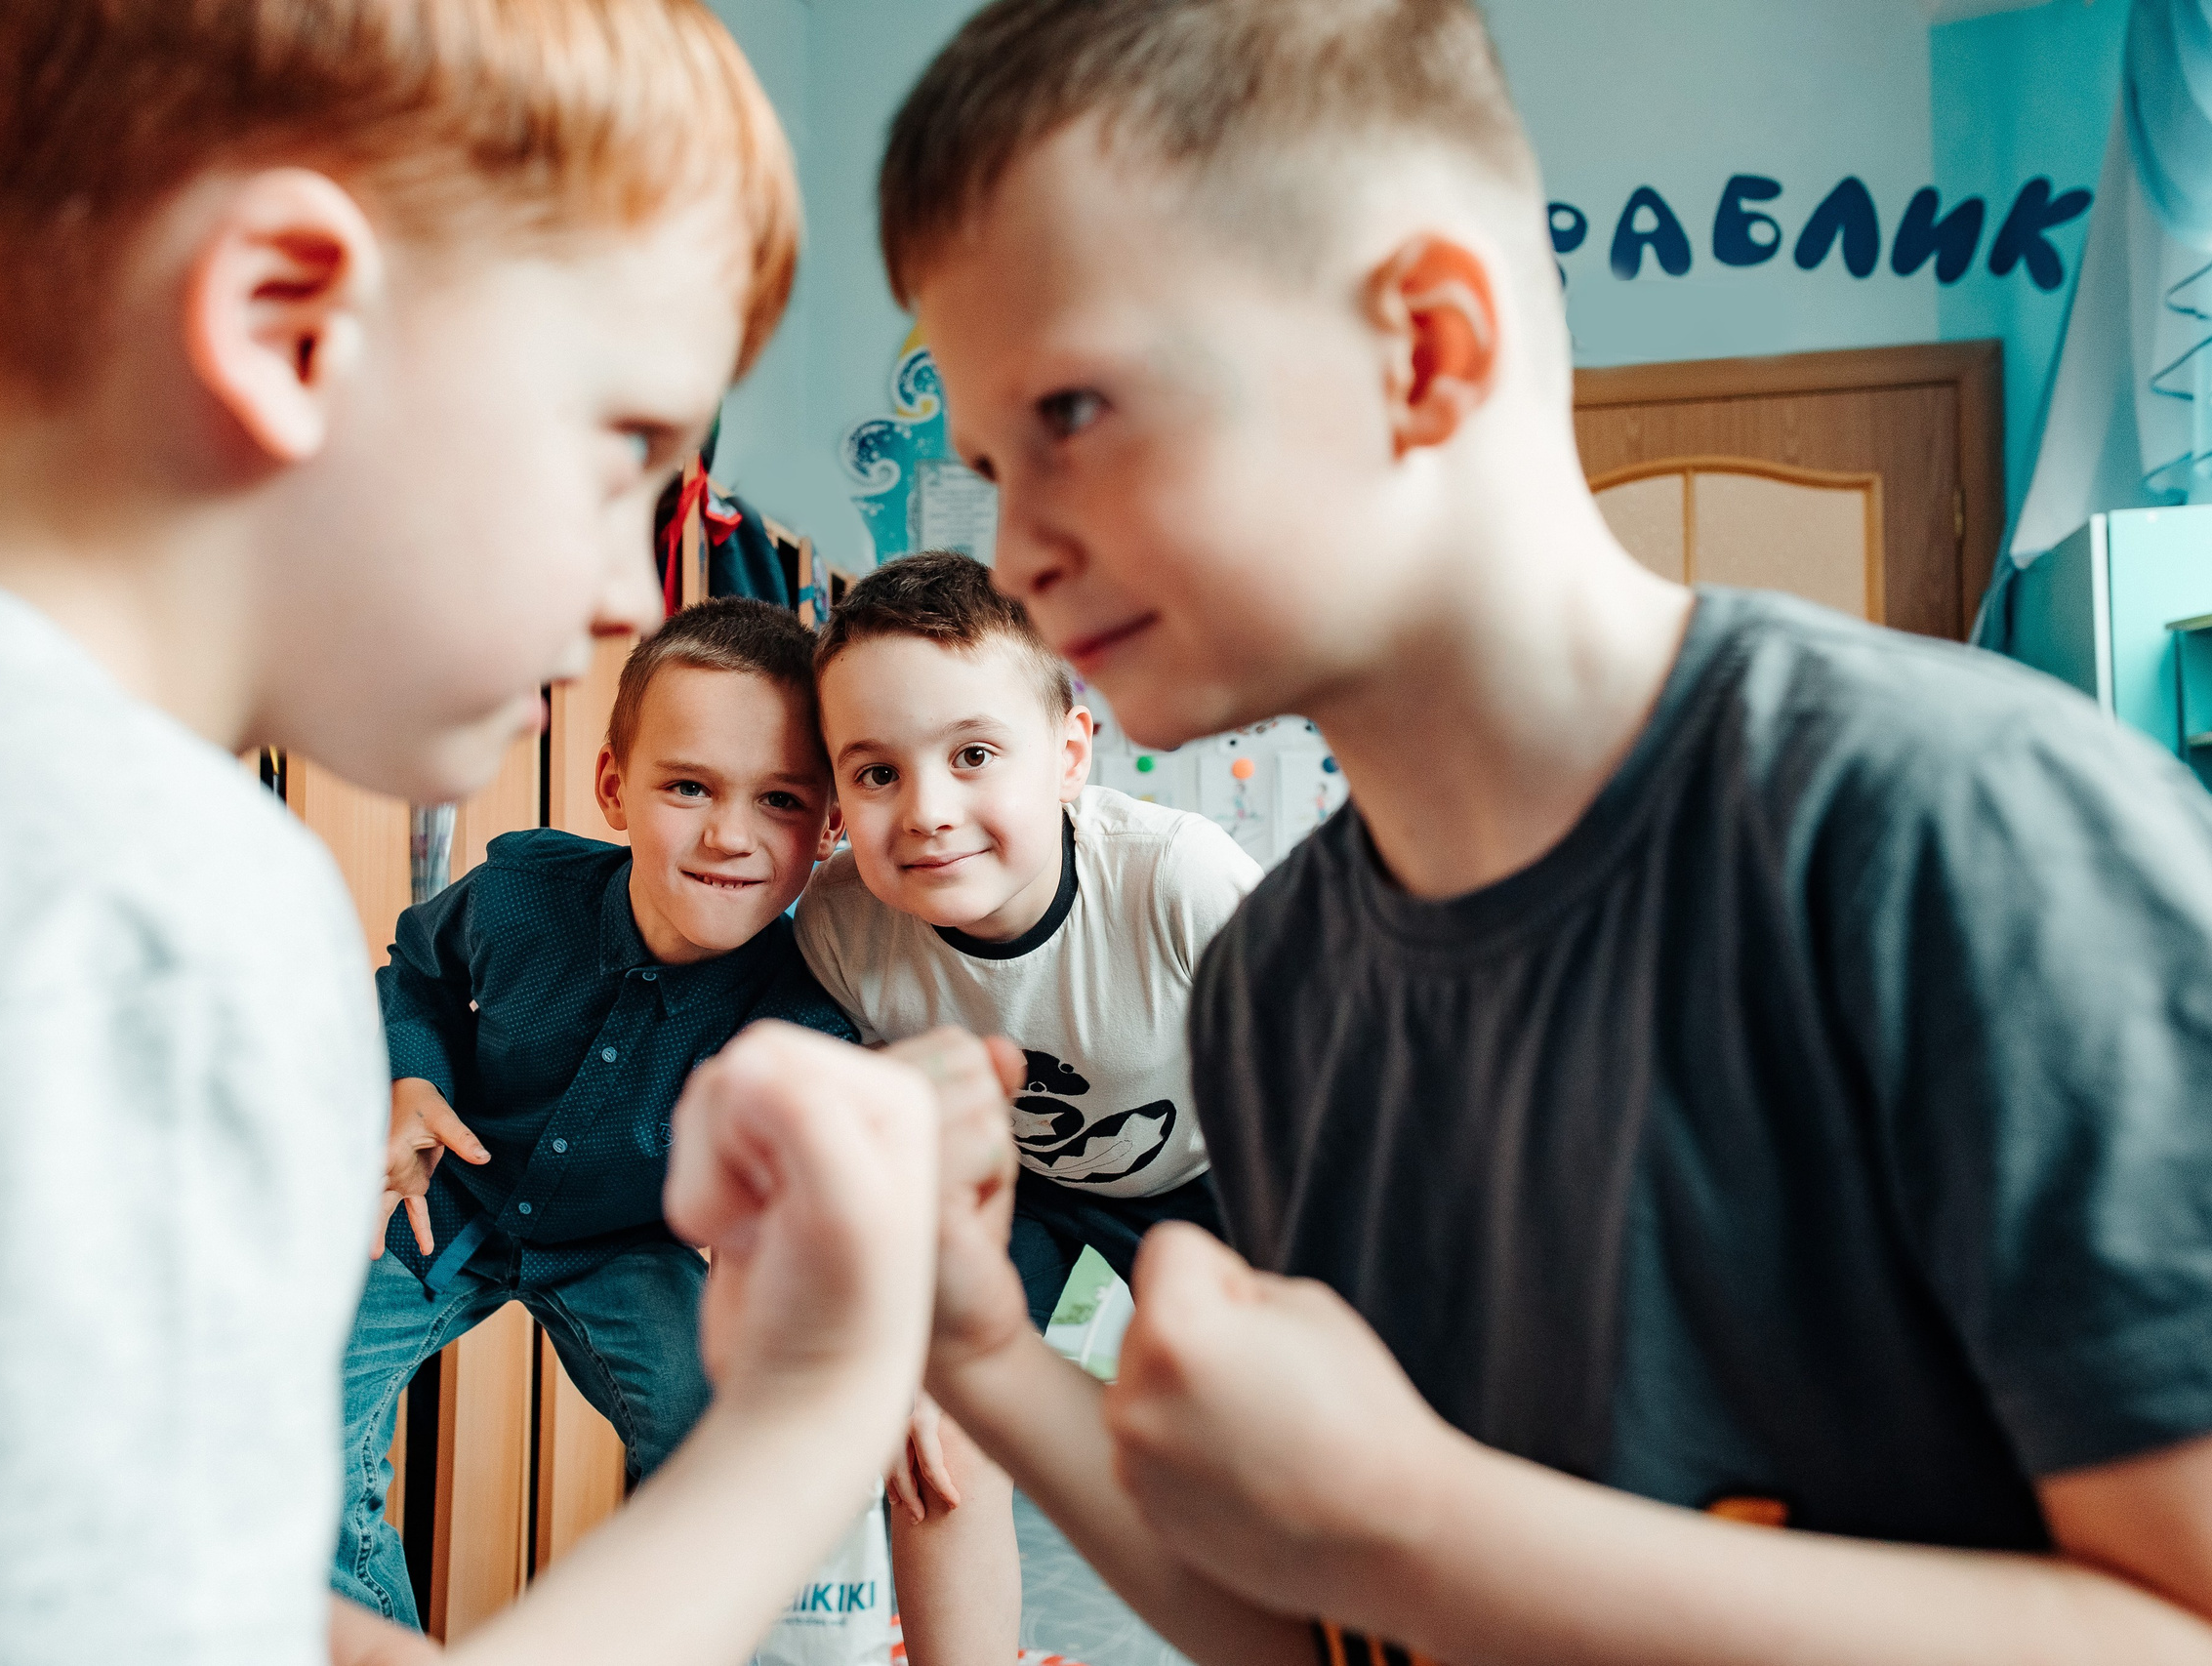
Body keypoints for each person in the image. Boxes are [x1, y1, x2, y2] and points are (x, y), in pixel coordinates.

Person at [876, 2, 2212, 1663]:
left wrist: (1411, 1509)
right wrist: (981, 1341)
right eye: (988, 461)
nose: (1016, 545)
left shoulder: (1963, 842)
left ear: (1424, 350)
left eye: (1069, 411)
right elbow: (1334, 1619)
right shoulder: (1277, 992)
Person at [0, 3, 1000, 1664]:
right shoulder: (145, 912)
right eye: (627, 457)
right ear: (287, 325)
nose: (632, 588)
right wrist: (815, 1406)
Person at [336, 597, 856, 1628]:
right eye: (688, 787)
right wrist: (413, 1082)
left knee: (722, 1453)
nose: (728, 835)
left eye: (781, 801)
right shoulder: (516, 897)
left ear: (829, 826)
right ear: (615, 787)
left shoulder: (809, 1012)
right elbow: (418, 975)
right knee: (292, 1414)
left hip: (625, 1243)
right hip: (454, 1197)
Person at [794, 551, 1259, 1666]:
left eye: (972, 755)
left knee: (1274, 1440)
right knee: (935, 1432)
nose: (927, 812)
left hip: (1219, 1175)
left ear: (1065, 754)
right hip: (1021, 1188)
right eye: (874, 774)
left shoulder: (1176, 880)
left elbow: (1338, 1091)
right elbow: (872, 1151)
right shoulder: (837, 929)